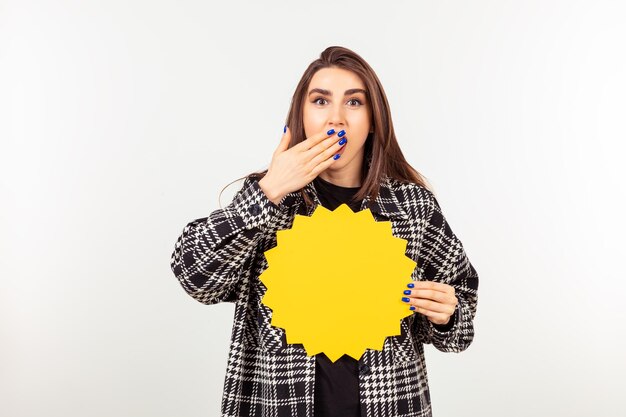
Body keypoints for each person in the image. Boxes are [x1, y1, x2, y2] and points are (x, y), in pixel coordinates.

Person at [170, 45, 479, 417]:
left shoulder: (411, 206)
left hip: (390, 405)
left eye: (353, 103)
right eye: (320, 101)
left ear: (374, 120)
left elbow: (460, 323)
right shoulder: (269, 198)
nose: (336, 119)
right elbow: (196, 278)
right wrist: (269, 190)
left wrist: (446, 313)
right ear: (301, 115)